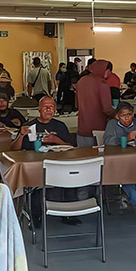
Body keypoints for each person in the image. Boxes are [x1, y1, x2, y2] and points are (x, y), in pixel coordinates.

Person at [23, 96, 86, 225]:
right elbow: (17, 149)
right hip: (37, 166)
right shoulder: (31, 126)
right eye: (45, 106)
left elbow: (70, 147)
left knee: (72, 176)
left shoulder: (60, 126)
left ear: (55, 110)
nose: (48, 109)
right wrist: (20, 135)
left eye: (51, 107)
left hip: (60, 165)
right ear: (39, 109)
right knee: (35, 184)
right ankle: (36, 217)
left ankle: (69, 214)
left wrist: (56, 140)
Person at [73, 60, 118, 147]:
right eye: (109, 71)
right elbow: (107, 109)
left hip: (82, 129)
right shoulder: (102, 83)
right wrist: (117, 115)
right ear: (105, 70)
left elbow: (77, 104)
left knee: (84, 158)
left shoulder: (81, 80)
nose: (110, 74)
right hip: (97, 130)